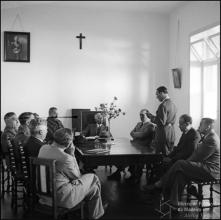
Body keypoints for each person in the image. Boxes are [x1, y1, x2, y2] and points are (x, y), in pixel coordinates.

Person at [145, 118, 220, 210]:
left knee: (180, 164)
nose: (199, 125)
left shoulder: (211, 139)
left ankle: (160, 184)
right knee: (180, 174)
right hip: (204, 167)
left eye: (201, 124)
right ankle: (174, 203)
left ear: (208, 126)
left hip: (211, 171)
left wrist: (185, 163)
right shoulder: (209, 136)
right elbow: (193, 153)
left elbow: (198, 157)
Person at [38, 128, 107, 219]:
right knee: (93, 178)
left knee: (93, 188)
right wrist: (72, 154)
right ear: (69, 142)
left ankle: (97, 213)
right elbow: (77, 176)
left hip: (43, 196)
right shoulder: (66, 158)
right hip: (61, 199)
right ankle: (96, 214)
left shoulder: (43, 148)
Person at [110, 109, 155, 182]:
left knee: (128, 157)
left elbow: (143, 135)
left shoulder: (150, 125)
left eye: (142, 115)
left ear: (147, 115)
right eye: (140, 115)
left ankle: (133, 175)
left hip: (143, 148)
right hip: (135, 145)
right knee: (121, 155)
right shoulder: (138, 123)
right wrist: (138, 134)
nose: (141, 116)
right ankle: (120, 173)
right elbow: (131, 133)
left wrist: (136, 134)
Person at [147, 86, 177, 156]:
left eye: (157, 94)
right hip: (171, 132)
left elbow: (160, 122)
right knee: (169, 154)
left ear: (162, 93)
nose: (157, 97)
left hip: (163, 134)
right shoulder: (173, 104)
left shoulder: (163, 105)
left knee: (161, 156)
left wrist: (151, 117)